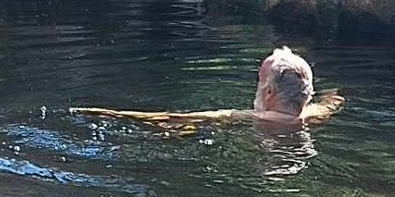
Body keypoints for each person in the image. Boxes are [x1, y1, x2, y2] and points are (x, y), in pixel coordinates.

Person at [74, 46, 344, 128]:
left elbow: (171, 119)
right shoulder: (314, 113)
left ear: (269, 93)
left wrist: (101, 112)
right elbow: (334, 101)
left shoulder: (244, 118)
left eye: (258, 80)